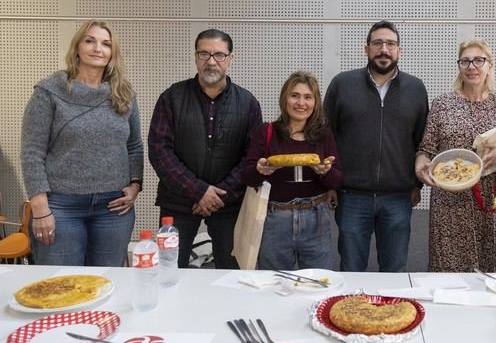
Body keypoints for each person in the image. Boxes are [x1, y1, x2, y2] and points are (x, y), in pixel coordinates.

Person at [21, 20, 143, 266]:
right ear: (77, 48)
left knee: (107, 284)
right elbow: (32, 151)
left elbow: (134, 146)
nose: (98, 48)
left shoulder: (124, 94)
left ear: (112, 53)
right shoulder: (50, 91)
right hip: (61, 207)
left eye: (106, 44)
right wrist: (40, 208)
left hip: (113, 208)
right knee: (60, 286)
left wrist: (135, 185)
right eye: (90, 41)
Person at [148, 29, 262, 269]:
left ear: (231, 58)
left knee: (231, 276)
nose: (211, 61)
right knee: (169, 271)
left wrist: (219, 193)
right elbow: (160, 151)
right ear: (195, 56)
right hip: (178, 202)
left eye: (219, 55)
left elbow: (251, 156)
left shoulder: (248, 103)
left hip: (228, 205)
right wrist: (199, 191)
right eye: (204, 54)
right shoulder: (172, 98)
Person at [324, 20, 429, 272]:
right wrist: (330, 184)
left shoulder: (415, 89)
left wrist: (417, 185)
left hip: (398, 197)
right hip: (352, 196)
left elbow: (422, 141)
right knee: (351, 269)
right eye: (378, 43)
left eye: (391, 44)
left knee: (393, 270)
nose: (384, 49)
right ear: (366, 48)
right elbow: (327, 137)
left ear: (399, 50)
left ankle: (391, 312)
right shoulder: (342, 84)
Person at [415, 40, 496, 272]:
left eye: (479, 60)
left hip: (491, 199)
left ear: (489, 66)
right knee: (449, 271)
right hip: (450, 202)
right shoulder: (442, 105)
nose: (472, 66)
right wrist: (420, 165)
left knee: (492, 270)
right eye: (465, 61)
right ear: (460, 66)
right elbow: (426, 149)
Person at [243, 71, 343, 270]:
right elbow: (247, 176)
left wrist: (324, 171)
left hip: (316, 218)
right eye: (294, 95)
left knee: (317, 283)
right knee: (275, 283)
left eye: (308, 97)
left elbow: (337, 180)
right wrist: (260, 170)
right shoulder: (267, 132)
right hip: (275, 218)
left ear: (315, 103)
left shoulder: (323, 135)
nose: (301, 103)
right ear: (285, 99)